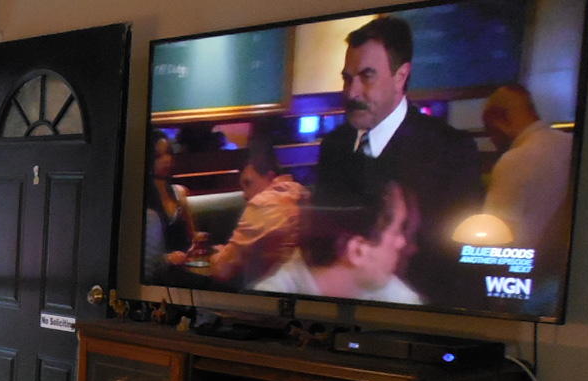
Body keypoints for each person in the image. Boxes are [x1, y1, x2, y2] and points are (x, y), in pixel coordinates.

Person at [314, 16, 481, 303]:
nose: (351, 92)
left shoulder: (451, 150)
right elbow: (321, 245)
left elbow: (460, 262)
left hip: (418, 324)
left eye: (366, 76)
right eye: (347, 78)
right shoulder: (334, 146)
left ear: (401, 76)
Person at [253, 153, 422, 305]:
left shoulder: (398, 298)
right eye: (397, 230)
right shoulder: (263, 312)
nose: (403, 243)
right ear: (357, 250)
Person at [166, 133, 308, 288]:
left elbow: (222, 271)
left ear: (270, 176)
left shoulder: (264, 204)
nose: (246, 195)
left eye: (248, 183)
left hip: (263, 296)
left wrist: (216, 256)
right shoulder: (300, 193)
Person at [481, 83, 574, 251]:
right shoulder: (572, 145)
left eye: (490, 131)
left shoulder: (514, 161)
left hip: (524, 267)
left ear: (500, 121)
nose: (492, 141)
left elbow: (495, 235)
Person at [142, 130, 197, 284]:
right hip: (159, 275)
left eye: (168, 153)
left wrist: (197, 243)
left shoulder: (179, 193)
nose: (166, 160)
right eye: (159, 156)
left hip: (185, 265)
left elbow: (192, 236)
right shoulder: (140, 198)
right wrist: (167, 258)